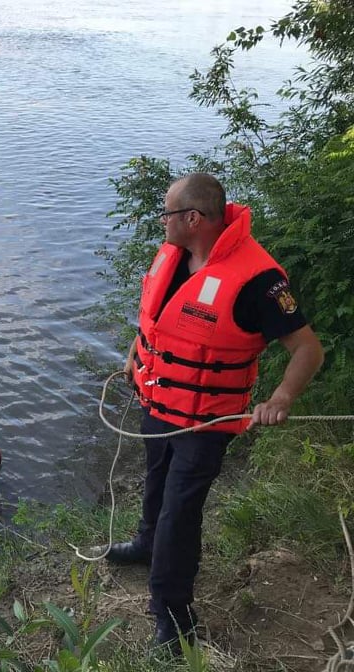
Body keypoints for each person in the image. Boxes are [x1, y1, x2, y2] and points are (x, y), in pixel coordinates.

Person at [103, 173, 324, 653]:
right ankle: (145, 545)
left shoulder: (259, 280)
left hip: (207, 422)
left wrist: (280, 398)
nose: (160, 221)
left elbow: (308, 349)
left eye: (166, 213)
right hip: (159, 403)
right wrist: (133, 355)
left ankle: (174, 614)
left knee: (180, 514)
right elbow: (156, 319)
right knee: (155, 484)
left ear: (192, 218)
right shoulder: (173, 256)